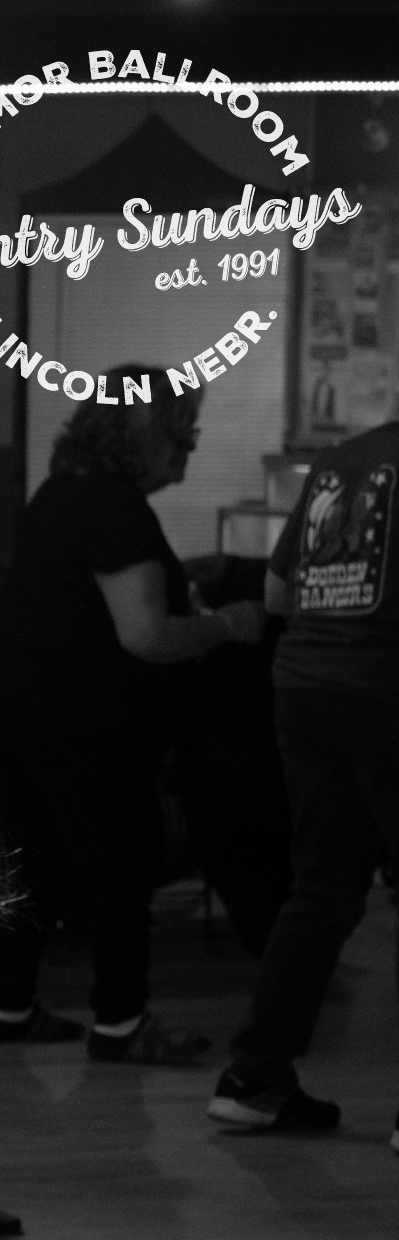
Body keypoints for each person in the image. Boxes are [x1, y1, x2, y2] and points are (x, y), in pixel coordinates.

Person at [0, 376, 262, 1061]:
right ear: (146, 439)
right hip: (86, 723)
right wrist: (228, 623)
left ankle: (9, 1010)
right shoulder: (116, 509)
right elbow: (147, 636)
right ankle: (122, 1023)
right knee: (117, 867)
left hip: (16, 712)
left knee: (30, 864)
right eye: (181, 433)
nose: (189, 449)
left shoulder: (60, 494)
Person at [211, 413, 399, 1147]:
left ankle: (254, 1079)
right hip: (386, 691)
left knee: (322, 889)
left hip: (307, 690)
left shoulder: (338, 462)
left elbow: (277, 594)